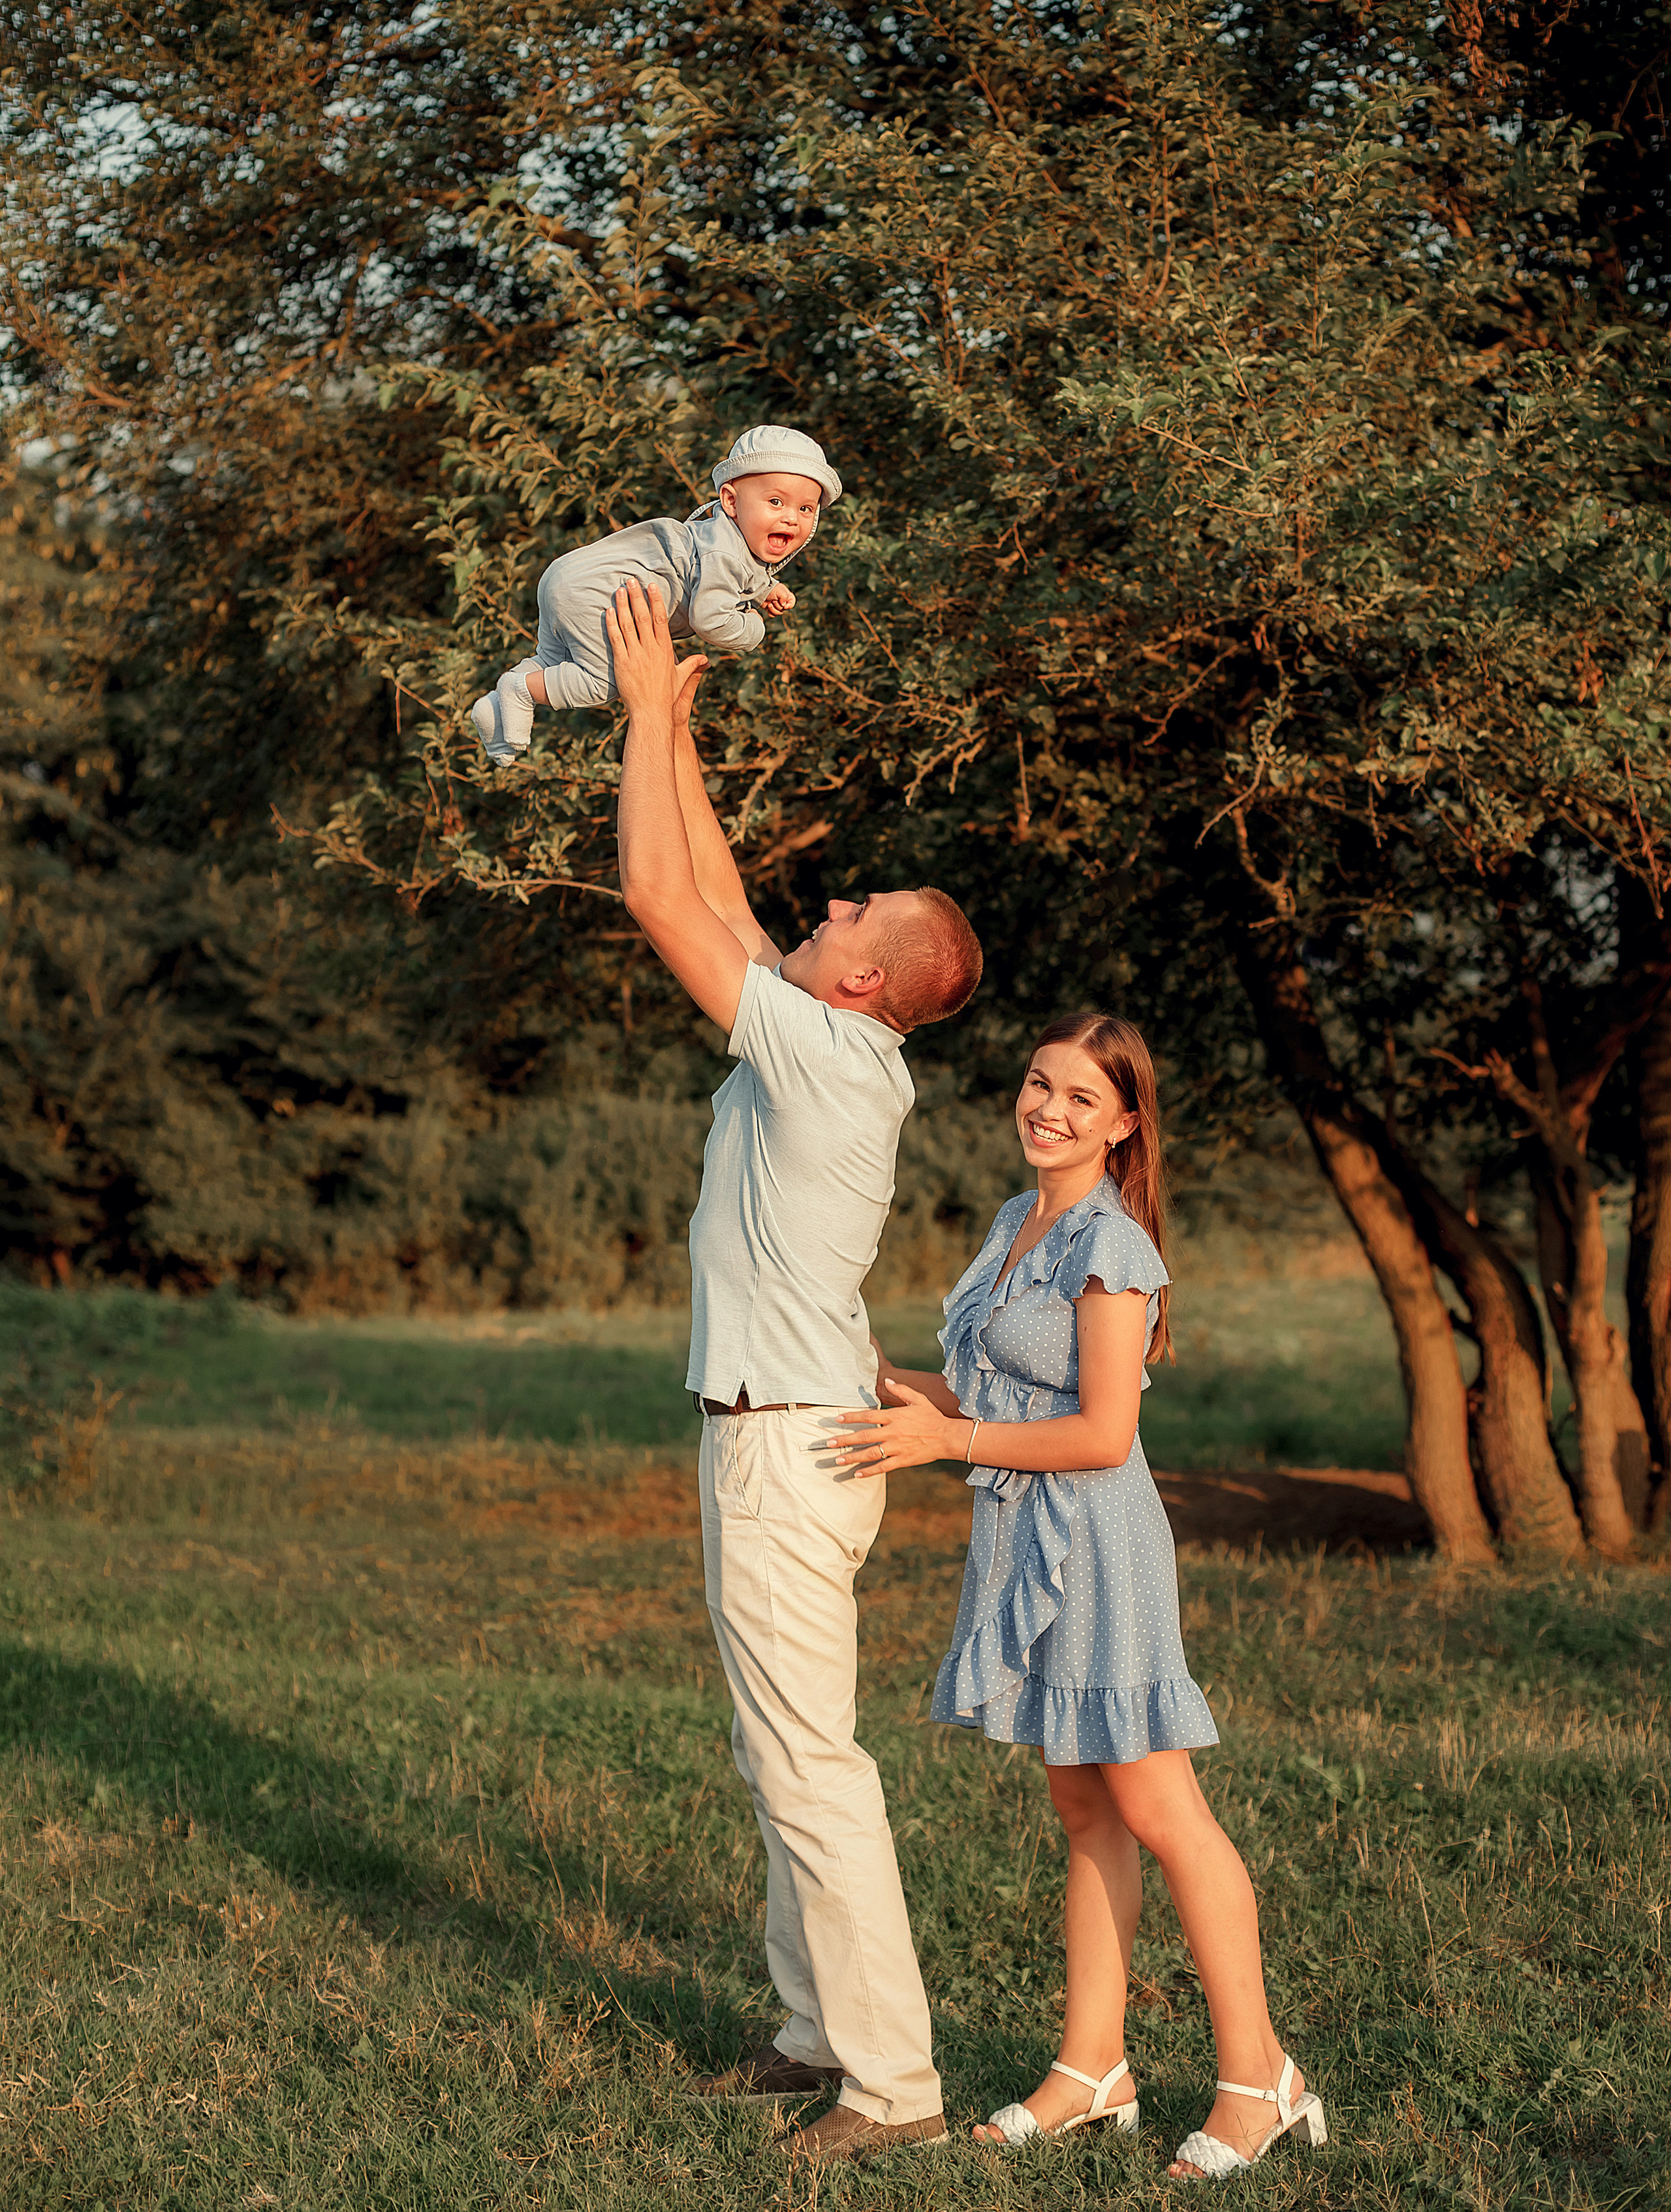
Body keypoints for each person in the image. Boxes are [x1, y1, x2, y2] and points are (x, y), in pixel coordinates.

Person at [604, 573, 984, 2169]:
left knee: (808, 1761)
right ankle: (808, 2028)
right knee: (781, 1746)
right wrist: (676, 730)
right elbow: (717, 894)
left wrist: (632, 722)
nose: (820, 909)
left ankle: (889, 2083)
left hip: (781, 1447)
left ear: (864, 983)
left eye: (845, 920)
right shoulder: (825, 1030)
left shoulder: (822, 1047)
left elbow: (656, 903)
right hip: (786, 1423)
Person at [834, 1012, 1331, 2181]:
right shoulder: (1019, 1223)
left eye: (1078, 1098)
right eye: (1036, 1082)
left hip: (1100, 1547)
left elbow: (1107, 1434)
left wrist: (948, 1436)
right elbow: (971, 1389)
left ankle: (1261, 2080)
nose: (1046, 1108)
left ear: (1124, 1125)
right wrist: (853, 1364)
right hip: (1022, 1541)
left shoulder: (1111, 1244)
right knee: (1085, 1812)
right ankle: (1090, 2068)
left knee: (1165, 1814)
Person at [470, 423, 837, 761]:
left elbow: (730, 569)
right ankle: (520, 692)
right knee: (605, 681)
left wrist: (765, 588)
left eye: (806, 508)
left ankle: (494, 711)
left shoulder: (716, 533)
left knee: (553, 660)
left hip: (570, 577)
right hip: (600, 593)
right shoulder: (724, 553)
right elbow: (709, 618)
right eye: (776, 502)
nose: (792, 517)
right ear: (731, 502)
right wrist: (752, 629)